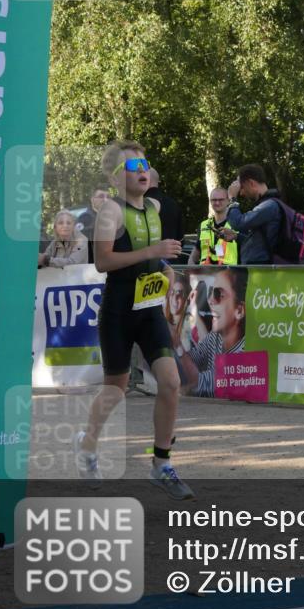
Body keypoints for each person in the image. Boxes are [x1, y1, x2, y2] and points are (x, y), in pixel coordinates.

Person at [74, 141, 193, 500]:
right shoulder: (110, 211)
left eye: (144, 164)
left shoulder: (155, 207)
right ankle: (87, 445)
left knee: (171, 381)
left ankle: (161, 464)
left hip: (149, 309)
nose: (142, 171)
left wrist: (164, 268)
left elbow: (152, 257)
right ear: (115, 178)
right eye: (132, 166)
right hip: (118, 310)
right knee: (116, 389)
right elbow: (103, 262)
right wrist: (152, 252)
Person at [177, 267, 247, 398]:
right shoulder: (215, 337)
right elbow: (189, 363)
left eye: (219, 295)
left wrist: (176, 345)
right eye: (211, 292)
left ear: (239, 311)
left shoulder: (246, 352)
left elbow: (197, 384)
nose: (210, 300)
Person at [226, 164, 283, 265]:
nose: (241, 193)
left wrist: (232, 199)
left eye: (241, 188)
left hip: (263, 270)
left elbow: (238, 223)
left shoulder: (269, 206)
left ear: (251, 183)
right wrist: (236, 236)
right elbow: (260, 243)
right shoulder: (267, 205)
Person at [190, 187, 240, 265]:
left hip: (229, 271)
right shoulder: (203, 225)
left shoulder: (237, 224)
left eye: (221, 200)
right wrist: (191, 270)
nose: (217, 203)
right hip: (205, 272)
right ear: (210, 201)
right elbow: (193, 257)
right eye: (214, 200)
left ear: (228, 201)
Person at [146, 167, 185, 242]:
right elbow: (181, 239)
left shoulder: (138, 203)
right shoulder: (173, 204)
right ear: (158, 181)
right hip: (173, 249)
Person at [75, 186, 109, 262]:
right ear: (92, 199)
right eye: (101, 196)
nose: (105, 200)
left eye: (108, 197)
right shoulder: (85, 218)